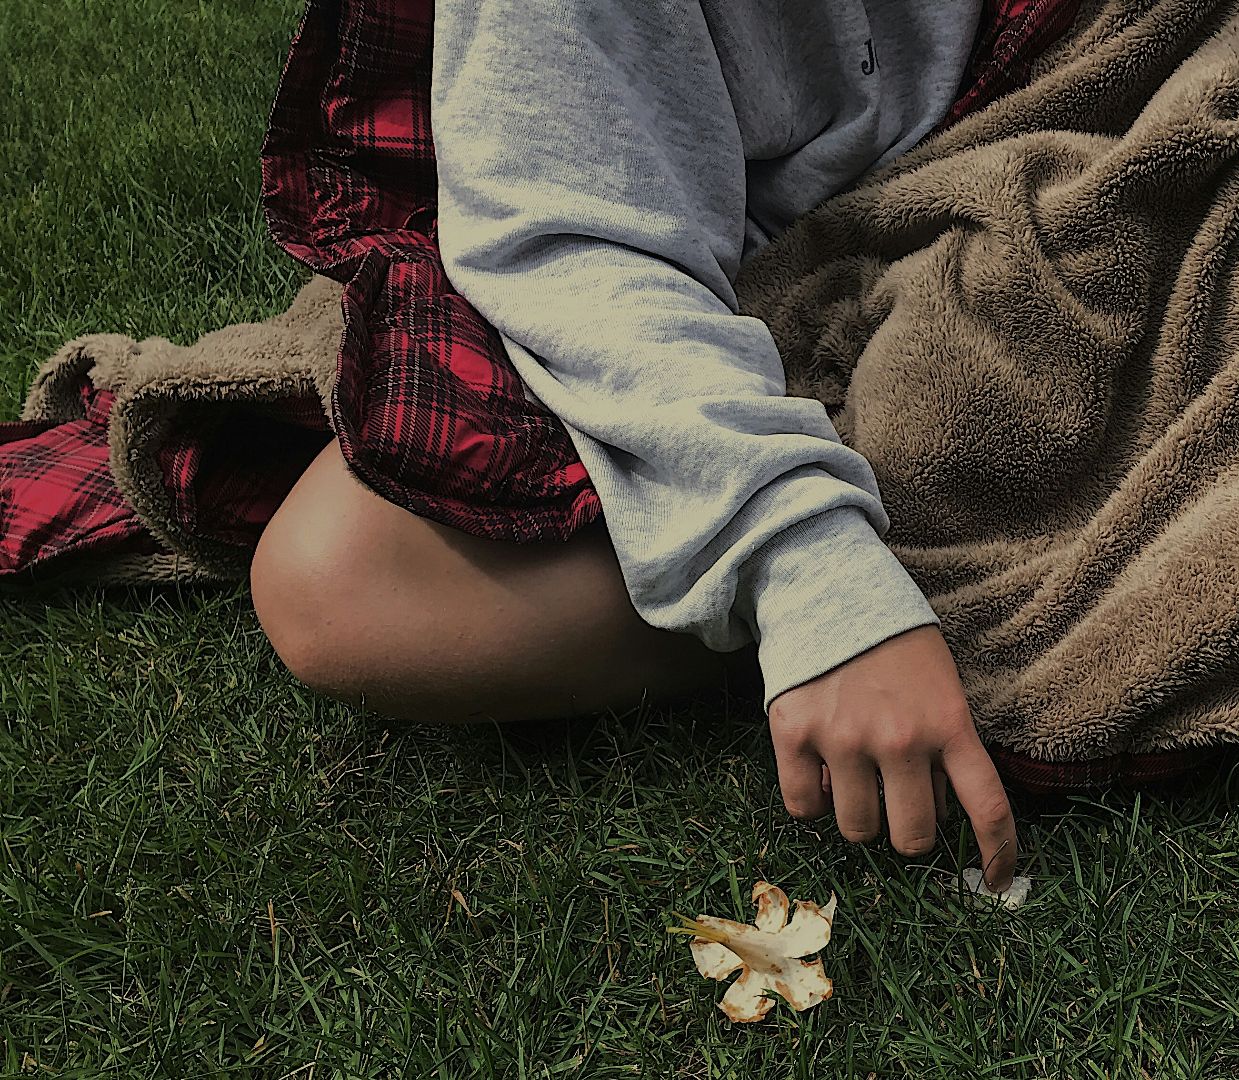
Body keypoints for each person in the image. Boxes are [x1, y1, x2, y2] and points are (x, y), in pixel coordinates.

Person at [247, 0, 1022, 893]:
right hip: (701, 278)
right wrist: (813, 568)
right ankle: (821, 609)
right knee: (343, 584)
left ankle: (891, 592)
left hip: (1025, 137)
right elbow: (567, 241)